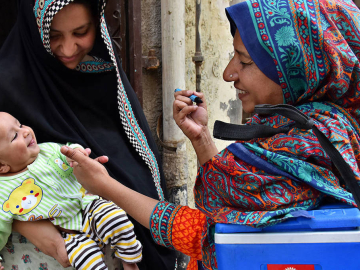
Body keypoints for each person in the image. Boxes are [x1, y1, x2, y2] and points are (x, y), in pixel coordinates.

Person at [57, 0, 360, 269]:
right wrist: (201, 137)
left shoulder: (305, 144)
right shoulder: (329, 123)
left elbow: (204, 229)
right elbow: (229, 198)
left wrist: (105, 185)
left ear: (295, 66)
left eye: (244, 61)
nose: (229, 73)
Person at [0, 0, 176, 269]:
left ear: (98, 23)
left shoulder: (104, 77)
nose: (68, 49)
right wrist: (29, 222)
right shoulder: (7, 85)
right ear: (37, 31)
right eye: (54, 36)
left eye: (81, 32)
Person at [0, 112, 142, 270]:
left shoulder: (48, 150)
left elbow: (69, 149)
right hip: (67, 233)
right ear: (1, 166)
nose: (25, 131)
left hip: (88, 205)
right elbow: (1, 226)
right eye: (14, 136)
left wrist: (77, 154)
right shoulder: (3, 191)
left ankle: (130, 261)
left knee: (116, 217)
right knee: (86, 261)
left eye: (20, 125)